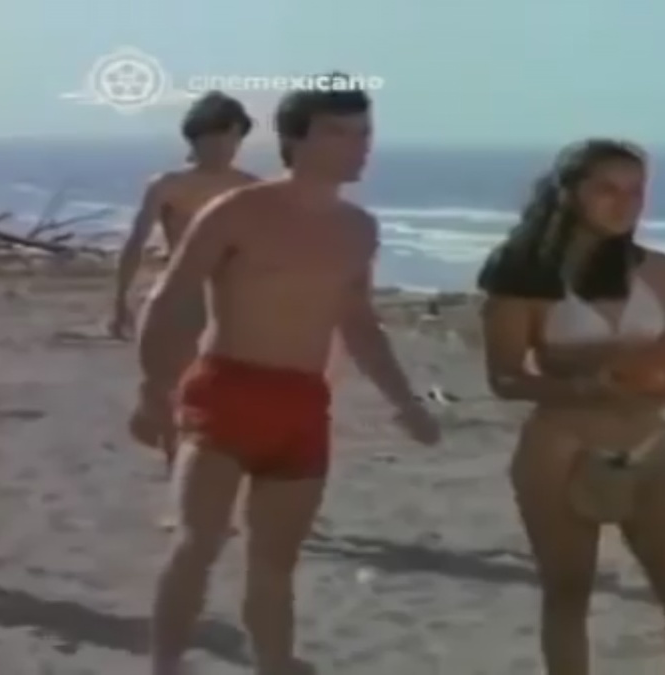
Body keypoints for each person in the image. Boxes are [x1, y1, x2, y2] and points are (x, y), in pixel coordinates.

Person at [132, 79, 441, 675]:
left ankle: (272, 664)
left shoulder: (358, 228)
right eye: (338, 132)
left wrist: (405, 402)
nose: (358, 146)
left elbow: (358, 322)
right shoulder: (238, 211)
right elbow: (171, 297)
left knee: (274, 562)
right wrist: (152, 386)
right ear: (295, 140)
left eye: (364, 133)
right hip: (226, 392)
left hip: (301, 405)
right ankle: (166, 665)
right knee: (199, 544)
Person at [477, 139, 665, 675]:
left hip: (648, 448)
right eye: (607, 189)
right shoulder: (526, 275)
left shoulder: (661, 271)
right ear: (569, 193)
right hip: (562, 451)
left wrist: (662, 386)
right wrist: (589, 387)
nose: (624, 203)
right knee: (568, 594)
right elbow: (505, 378)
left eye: (635, 191)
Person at [112, 91, 258, 480]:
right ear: (196, 138)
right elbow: (136, 242)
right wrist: (120, 300)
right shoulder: (168, 185)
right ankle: (175, 466)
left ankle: (204, 467)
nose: (224, 147)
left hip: (228, 301)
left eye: (233, 138)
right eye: (216, 137)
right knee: (173, 390)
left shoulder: (251, 189)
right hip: (177, 297)